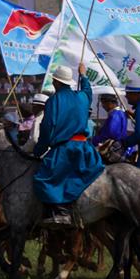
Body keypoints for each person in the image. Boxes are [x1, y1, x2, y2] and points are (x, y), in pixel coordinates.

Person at [34, 63, 107, 227]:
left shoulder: (54, 100)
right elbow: (88, 91)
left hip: (66, 149)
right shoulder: (82, 97)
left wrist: (39, 150)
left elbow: (47, 127)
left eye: (54, 81)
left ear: (56, 82)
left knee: (42, 179)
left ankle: (60, 212)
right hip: (86, 150)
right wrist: (83, 75)